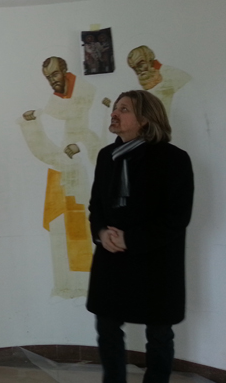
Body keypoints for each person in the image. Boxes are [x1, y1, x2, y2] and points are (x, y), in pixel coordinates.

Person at [87, 90, 194, 383]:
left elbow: (177, 217)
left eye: (124, 109)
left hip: (156, 261)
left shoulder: (174, 159)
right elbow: (96, 206)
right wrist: (101, 233)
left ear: (145, 119)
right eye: (115, 108)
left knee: (159, 334)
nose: (114, 113)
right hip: (111, 257)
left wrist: (130, 239)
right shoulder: (106, 156)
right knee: (107, 328)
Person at [21, 56, 110, 297]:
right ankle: (67, 284)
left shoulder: (89, 93)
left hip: (83, 174)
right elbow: (51, 135)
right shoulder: (54, 103)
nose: (52, 81)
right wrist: (32, 122)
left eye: (55, 75)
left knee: (83, 226)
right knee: (61, 229)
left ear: (65, 70)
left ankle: (87, 284)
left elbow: (100, 131)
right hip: (61, 174)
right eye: (48, 78)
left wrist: (79, 146)